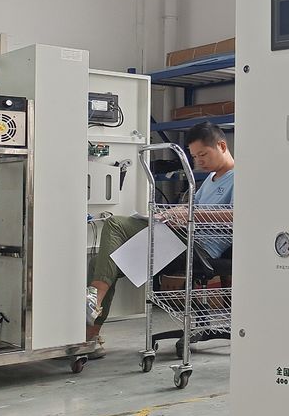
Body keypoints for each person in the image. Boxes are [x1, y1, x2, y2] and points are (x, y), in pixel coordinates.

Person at [86, 122, 234, 357]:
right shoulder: (210, 179)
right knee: (101, 262)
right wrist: (173, 214)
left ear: (222, 146)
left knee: (115, 223)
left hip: (199, 247)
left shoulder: (239, 178)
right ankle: (90, 338)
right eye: (195, 157)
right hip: (179, 236)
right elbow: (193, 208)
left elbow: (237, 215)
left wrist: (189, 214)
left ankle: (94, 299)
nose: (199, 161)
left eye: (203, 154)